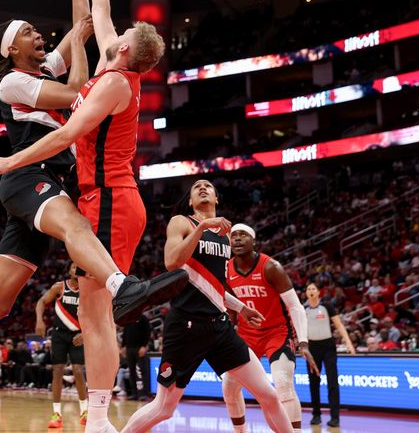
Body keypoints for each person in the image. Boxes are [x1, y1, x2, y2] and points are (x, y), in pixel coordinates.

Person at [0, 0, 184, 395]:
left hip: (49, 183)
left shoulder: (44, 69)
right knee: (78, 225)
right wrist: (79, 43)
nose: (39, 34)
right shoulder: (14, 81)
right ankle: (123, 286)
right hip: (30, 177)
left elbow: (83, 19)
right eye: (28, 33)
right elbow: (77, 88)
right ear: (10, 48)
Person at [0, 0, 188, 433]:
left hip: (112, 196)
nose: (113, 34)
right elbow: (99, 10)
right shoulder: (112, 69)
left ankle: (99, 416)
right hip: (105, 198)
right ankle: (97, 415)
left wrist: (11, 163)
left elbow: (68, 134)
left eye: (121, 37)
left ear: (126, 51)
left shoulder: (114, 81)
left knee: (98, 315)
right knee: (95, 316)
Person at [121, 180, 293, 433]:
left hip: (219, 327)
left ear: (216, 199)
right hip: (185, 327)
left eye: (208, 186)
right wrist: (201, 227)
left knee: (268, 394)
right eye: (196, 187)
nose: (202, 188)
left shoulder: (225, 237)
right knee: (164, 408)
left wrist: (241, 308)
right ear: (190, 201)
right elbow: (171, 262)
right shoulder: (182, 222)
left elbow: (214, 286)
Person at [223, 223, 319, 433]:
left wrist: (303, 342)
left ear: (253, 240)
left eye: (243, 235)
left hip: (277, 333)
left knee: (283, 385)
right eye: (234, 235)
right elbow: (229, 305)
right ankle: (240, 431)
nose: (237, 239)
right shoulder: (226, 269)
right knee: (228, 387)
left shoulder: (271, 267)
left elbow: (294, 305)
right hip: (246, 335)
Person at [35, 261, 88, 428]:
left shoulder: (88, 291)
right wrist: (39, 321)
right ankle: (56, 413)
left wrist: (85, 333)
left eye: (80, 267)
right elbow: (41, 302)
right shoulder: (60, 287)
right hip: (59, 334)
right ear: (69, 271)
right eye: (73, 266)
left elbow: (96, 315)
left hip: (78, 336)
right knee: (57, 371)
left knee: (78, 371)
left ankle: (84, 410)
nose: (77, 269)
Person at [305, 282, 356, 428]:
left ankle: (335, 417)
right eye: (309, 289)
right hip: (312, 348)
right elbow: (300, 329)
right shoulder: (304, 309)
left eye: (313, 288)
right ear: (306, 293)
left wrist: (349, 343)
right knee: (313, 382)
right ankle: (316, 414)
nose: (311, 291)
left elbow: (339, 325)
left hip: (328, 347)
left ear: (318, 292)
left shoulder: (327, 306)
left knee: (332, 382)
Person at [121, 314, 151, 401]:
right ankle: (134, 393)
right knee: (131, 371)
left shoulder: (143, 318)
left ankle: (144, 393)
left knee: (143, 371)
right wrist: (123, 346)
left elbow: (148, 331)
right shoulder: (128, 318)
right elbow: (125, 332)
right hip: (129, 348)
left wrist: (144, 346)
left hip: (139, 348)